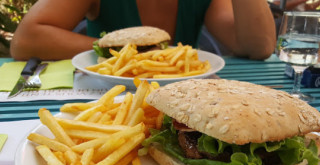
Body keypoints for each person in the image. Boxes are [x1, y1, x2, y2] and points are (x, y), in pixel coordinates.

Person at [10, 0, 276, 61]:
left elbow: (258, 47)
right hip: (101, 100)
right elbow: (26, 40)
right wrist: (134, 52)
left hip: (182, 103)